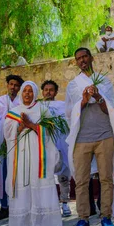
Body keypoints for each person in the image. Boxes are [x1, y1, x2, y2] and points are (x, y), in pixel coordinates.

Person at [65, 48, 114, 226]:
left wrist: (99, 97)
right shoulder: (73, 85)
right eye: (78, 59)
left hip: (104, 135)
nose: (82, 60)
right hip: (82, 138)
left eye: (85, 57)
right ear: (76, 62)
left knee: (106, 178)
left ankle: (106, 217)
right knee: (81, 179)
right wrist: (83, 101)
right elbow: (69, 113)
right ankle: (83, 218)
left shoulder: (105, 81)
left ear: (91, 58)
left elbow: (111, 108)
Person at [4, 81, 62, 226]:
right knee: (23, 184)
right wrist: (21, 127)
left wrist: (30, 124)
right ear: (21, 93)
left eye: (30, 91)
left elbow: (50, 132)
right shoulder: (14, 111)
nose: (27, 94)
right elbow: (7, 134)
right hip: (21, 156)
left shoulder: (43, 110)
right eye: (25, 91)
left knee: (38, 184)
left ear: (35, 93)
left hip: (38, 155)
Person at [0, 74, 24, 221]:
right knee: (4, 176)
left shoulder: (22, 102)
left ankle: (19, 206)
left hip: (19, 143)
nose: (13, 87)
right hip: (4, 144)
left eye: (16, 85)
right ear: (7, 85)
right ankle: (4, 207)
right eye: (11, 84)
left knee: (18, 175)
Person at [41, 80, 72, 217]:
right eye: (46, 89)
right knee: (46, 177)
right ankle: (50, 206)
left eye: (51, 90)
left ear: (56, 92)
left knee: (64, 176)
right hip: (45, 146)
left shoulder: (62, 106)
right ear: (42, 92)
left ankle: (65, 203)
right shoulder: (38, 106)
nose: (48, 92)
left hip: (61, 144)